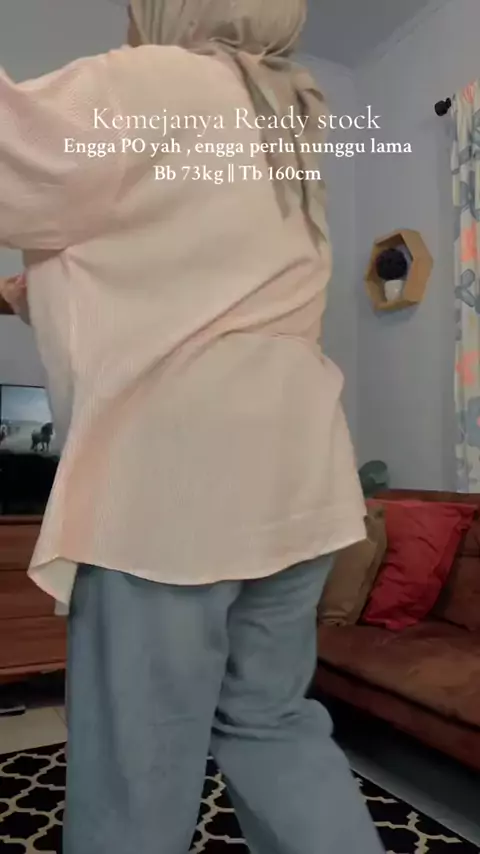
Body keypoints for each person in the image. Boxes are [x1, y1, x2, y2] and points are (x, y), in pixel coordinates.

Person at [0, 1, 384, 852]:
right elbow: (177, 270)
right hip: (300, 482)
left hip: (172, 491)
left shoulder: (154, 84)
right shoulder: (287, 121)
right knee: (272, 723)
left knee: (138, 761)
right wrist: (23, 294)